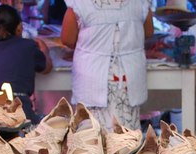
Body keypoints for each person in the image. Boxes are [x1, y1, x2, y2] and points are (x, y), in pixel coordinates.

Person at [60, 0, 153, 130]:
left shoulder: (79, 4)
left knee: (91, 136)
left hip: (92, 76)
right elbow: (148, 33)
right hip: (127, 78)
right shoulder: (140, 3)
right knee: (127, 135)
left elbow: (68, 39)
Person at [0, 4, 50, 123]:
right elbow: (46, 68)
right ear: (19, 28)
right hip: (19, 117)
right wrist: (45, 51)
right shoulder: (28, 46)